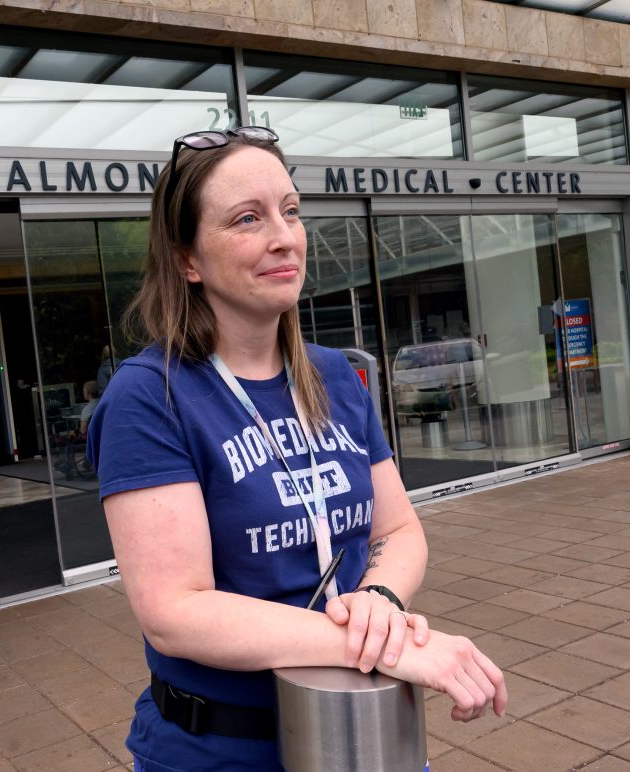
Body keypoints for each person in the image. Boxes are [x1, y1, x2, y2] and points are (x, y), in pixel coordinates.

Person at [86, 126, 507, 771]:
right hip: (223, 750)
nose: (284, 236)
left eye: (290, 210)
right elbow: (176, 611)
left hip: (365, 727)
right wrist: (390, 650)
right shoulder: (151, 397)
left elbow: (399, 529)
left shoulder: (333, 374)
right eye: (246, 219)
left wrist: (380, 602)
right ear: (187, 260)